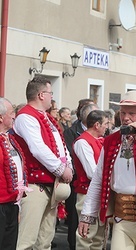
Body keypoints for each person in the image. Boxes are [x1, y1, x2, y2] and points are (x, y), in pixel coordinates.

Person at [77, 91, 136, 249]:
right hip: (122, 219)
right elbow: (98, 179)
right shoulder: (111, 141)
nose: (126, 117)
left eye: (131, 113)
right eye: (123, 112)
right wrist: (87, 215)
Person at [14, 76, 74, 250]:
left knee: (45, 241)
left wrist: (68, 165)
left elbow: (61, 148)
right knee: (27, 241)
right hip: (35, 186)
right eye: (50, 93)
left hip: (50, 184)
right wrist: (62, 169)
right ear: (41, 95)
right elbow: (38, 149)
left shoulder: (46, 118)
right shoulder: (26, 117)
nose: (52, 97)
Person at [63, 101, 97, 250]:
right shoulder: (72, 133)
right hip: (79, 183)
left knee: (95, 230)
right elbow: (71, 157)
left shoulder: (101, 134)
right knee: (76, 222)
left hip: (94, 186)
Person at [73, 110, 108, 249]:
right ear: (97, 125)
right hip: (87, 193)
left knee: (99, 238)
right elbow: (91, 173)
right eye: (105, 123)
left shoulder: (99, 141)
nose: (107, 127)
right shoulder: (83, 142)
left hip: (100, 192)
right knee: (86, 236)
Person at [0, 97, 29, 250]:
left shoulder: (10, 138)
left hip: (11, 204)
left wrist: (17, 204)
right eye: (11, 113)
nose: (14, 116)